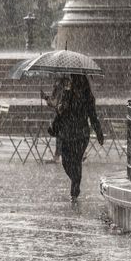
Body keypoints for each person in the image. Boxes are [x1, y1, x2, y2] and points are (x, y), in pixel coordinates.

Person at [40, 74, 104, 202]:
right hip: (75, 133)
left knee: (72, 161)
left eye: (74, 80)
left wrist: (98, 133)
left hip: (74, 133)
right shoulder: (73, 95)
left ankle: (75, 186)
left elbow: (91, 116)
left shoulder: (82, 97)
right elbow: (63, 114)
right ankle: (76, 181)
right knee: (71, 162)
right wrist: (98, 133)